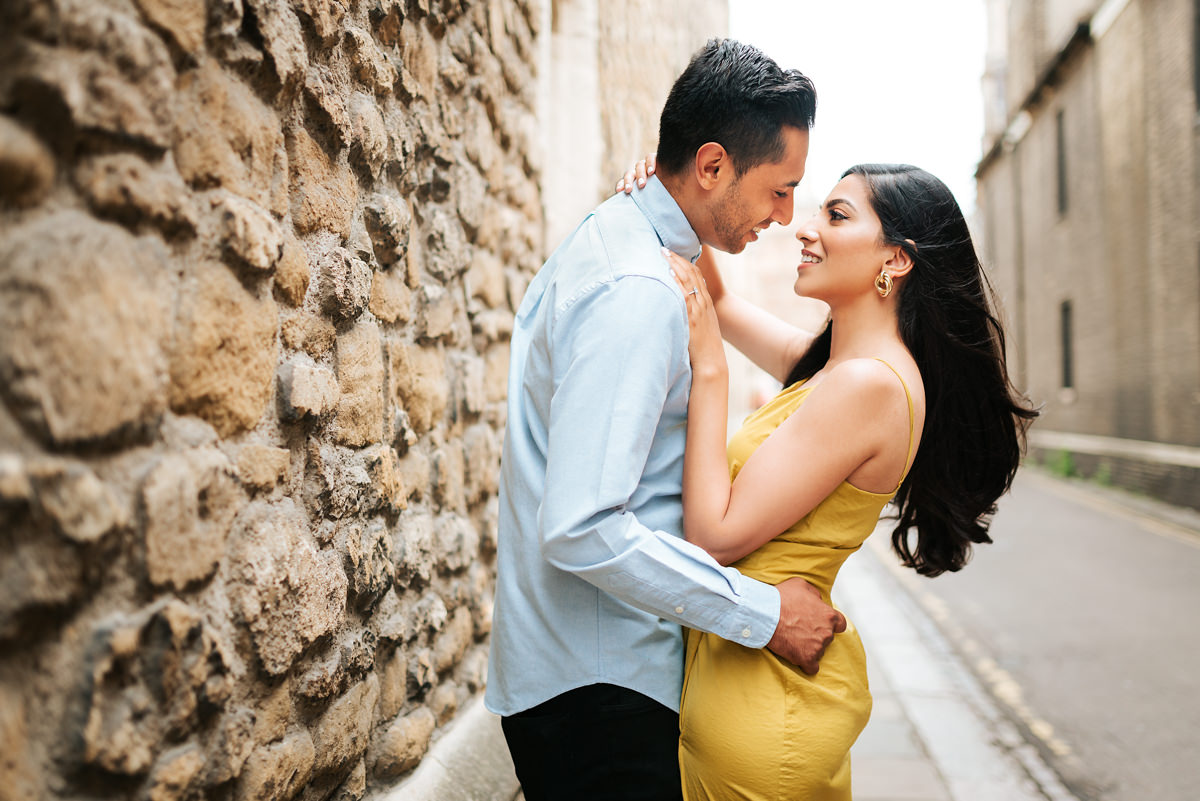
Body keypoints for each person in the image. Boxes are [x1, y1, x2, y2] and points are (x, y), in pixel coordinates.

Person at [485, 39, 847, 801]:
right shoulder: (638, 290)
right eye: (779, 191)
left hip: (590, 679)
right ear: (712, 166)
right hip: (599, 694)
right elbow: (581, 524)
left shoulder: (628, 243)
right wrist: (763, 614)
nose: (785, 218)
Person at [636, 161, 1038, 799]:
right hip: (746, 675)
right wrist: (674, 196)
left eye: (837, 215)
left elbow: (713, 537)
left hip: (766, 706)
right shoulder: (837, 369)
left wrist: (710, 371)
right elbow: (720, 302)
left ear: (896, 261)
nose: (804, 228)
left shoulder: (867, 384)